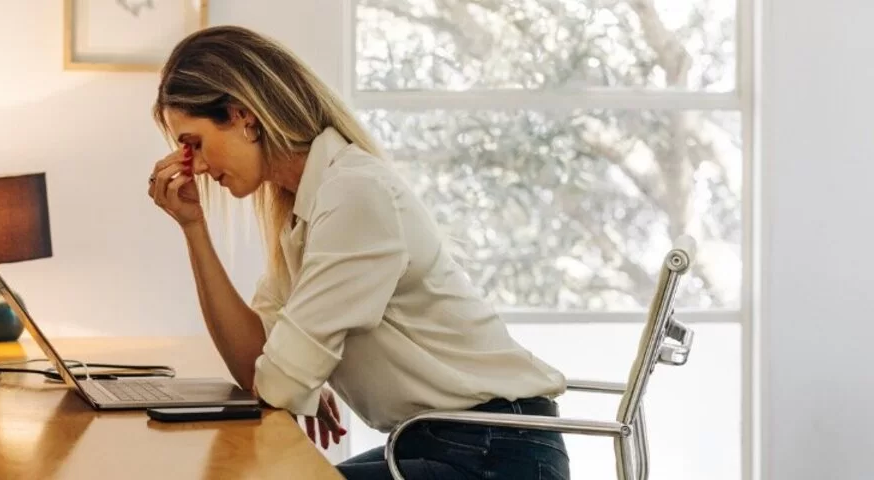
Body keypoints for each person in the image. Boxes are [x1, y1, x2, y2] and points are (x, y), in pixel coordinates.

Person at [146, 26, 572, 480]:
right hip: (443, 440)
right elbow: (258, 367)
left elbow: (279, 386)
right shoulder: (306, 207)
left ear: (244, 117)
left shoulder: (353, 194)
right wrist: (194, 228)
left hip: (496, 452)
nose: (199, 168)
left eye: (193, 144)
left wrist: (294, 379)